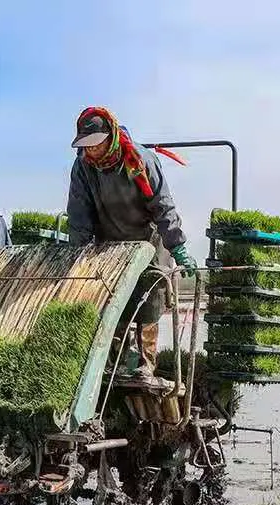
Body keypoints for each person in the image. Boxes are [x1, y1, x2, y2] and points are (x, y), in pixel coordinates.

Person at [66, 106, 197, 377]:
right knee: (113, 302)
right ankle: (115, 364)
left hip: (148, 240)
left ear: (109, 136)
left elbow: (163, 207)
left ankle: (146, 365)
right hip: (111, 243)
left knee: (148, 299)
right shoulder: (83, 167)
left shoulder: (139, 160)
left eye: (95, 145)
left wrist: (178, 247)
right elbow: (79, 213)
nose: (90, 151)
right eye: (85, 146)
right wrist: (79, 255)